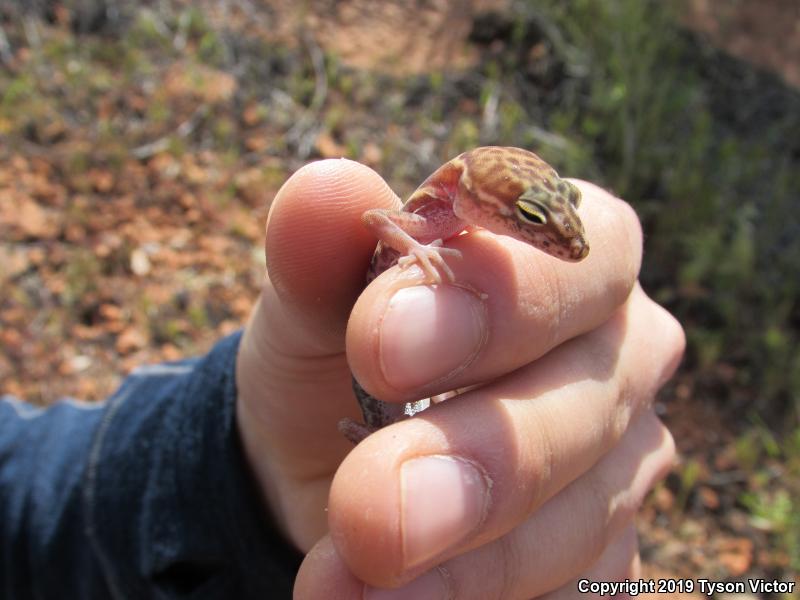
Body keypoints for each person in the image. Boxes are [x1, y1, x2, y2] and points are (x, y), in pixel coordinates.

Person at [0, 158, 684, 599]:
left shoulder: (463, 215)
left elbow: (40, 507)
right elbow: (378, 220)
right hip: (375, 394)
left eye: (551, 204)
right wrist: (417, 248)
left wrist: (237, 482)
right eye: (532, 218)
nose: (557, 236)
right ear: (475, 197)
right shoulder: (436, 212)